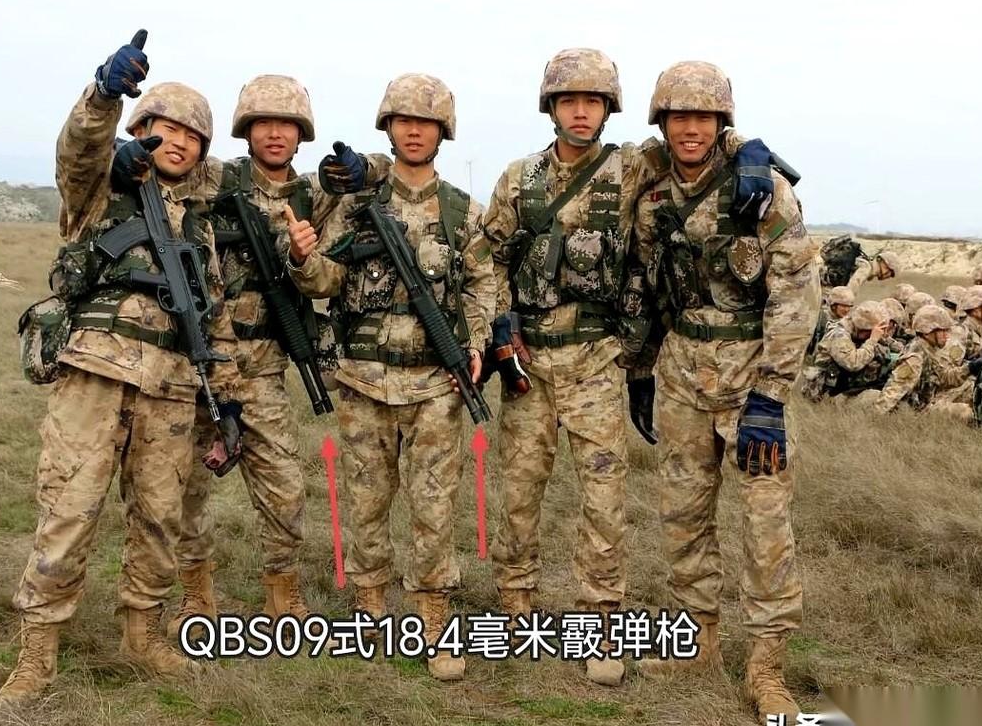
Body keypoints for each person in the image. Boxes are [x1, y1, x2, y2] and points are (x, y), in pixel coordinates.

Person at [480, 49, 761, 686]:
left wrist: (750, 149)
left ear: (609, 109)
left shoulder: (633, 166)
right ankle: (516, 608)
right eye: (569, 101)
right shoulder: (518, 179)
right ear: (550, 108)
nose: (581, 112)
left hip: (597, 365)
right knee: (519, 494)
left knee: (604, 502)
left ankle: (601, 621)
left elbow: (695, 142)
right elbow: (486, 257)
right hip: (530, 366)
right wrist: (500, 324)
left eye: (593, 101)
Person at [0, 32, 243, 705]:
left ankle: (144, 635)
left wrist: (226, 401)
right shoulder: (100, 190)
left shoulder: (200, 226)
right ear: (140, 130)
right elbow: (79, 150)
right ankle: (37, 654)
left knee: (160, 520)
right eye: (167, 128)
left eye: (193, 135)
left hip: (172, 391)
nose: (179, 142)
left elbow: (214, 318)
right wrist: (104, 94)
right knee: (69, 511)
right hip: (96, 378)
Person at [629, 61, 818, 725]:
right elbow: (650, 287)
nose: (691, 128)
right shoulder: (652, 192)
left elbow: (795, 295)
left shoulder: (762, 189)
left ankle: (767, 669)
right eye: (679, 115)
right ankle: (697, 642)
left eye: (705, 117)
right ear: (662, 121)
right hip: (681, 376)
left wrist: (771, 397)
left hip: (749, 383)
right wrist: (641, 370)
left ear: (722, 122)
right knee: (682, 517)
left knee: (765, 525)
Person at [287, 73, 493, 681]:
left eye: (425, 123)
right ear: (389, 128)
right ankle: (370, 607)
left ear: (442, 132)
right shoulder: (355, 204)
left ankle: (433, 617)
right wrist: (302, 256)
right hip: (363, 381)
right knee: (367, 499)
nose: (413, 131)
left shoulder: (462, 211)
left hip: (435, 386)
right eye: (404, 121)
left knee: (434, 505)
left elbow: (482, 286)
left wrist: (476, 343)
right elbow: (326, 279)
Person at [169, 75, 387, 633]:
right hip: (198, 362)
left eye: (286, 125)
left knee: (285, 490)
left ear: (301, 134)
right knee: (186, 489)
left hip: (265, 366)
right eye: (263, 123)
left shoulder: (314, 195)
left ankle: (283, 595)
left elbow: (388, 174)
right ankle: (195, 595)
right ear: (246, 130)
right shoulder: (214, 178)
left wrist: (360, 168)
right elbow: (162, 170)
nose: (274, 134)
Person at [855, 305, 979, 419]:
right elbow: (894, 390)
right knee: (964, 412)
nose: (947, 335)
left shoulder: (929, 349)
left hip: (926, 403)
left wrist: (971, 367)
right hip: (917, 411)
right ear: (927, 331)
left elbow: (944, 378)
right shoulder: (915, 358)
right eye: (942, 331)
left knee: (971, 388)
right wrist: (874, 418)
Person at [803, 301, 900, 402]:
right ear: (865, 328)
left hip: (844, 383)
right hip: (823, 392)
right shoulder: (838, 335)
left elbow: (890, 343)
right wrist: (872, 340)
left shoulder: (857, 329)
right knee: (875, 398)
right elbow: (853, 363)